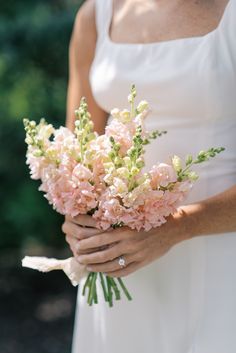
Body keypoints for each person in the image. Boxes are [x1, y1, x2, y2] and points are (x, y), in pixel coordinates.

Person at [62, 0, 236, 352]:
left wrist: (179, 226)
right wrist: (79, 219)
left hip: (221, 256)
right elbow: (78, 153)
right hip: (120, 264)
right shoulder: (96, 16)